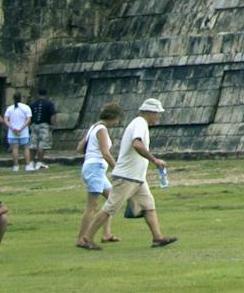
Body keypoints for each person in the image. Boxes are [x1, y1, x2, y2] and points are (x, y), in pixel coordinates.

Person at [90, 97, 177, 248]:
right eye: (157, 114)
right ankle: (87, 238)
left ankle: (157, 237)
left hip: (137, 177)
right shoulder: (139, 123)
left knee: (149, 206)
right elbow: (137, 144)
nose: (158, 117)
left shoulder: (140, 124)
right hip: (127, 176)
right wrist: (154, 160)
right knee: (110, 207)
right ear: (150, 112)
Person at [76, 101, 122, 250]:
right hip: (95, 168)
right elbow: (105, 153)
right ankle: (81, 239)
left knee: (112, 199)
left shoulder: (94, 127)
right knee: (92, 205)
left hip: (94, 168)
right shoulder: (102, 129)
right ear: (113, 117)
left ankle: (106, 234)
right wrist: (118, 169)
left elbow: (79, 148)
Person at [28, 90, 56, 172]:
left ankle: (31, 162)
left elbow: (30, 116)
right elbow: (53, 115)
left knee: (33, 144)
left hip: (34, 125)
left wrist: (30, 125)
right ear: (46, 94)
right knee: (42, 145)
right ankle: (39, 162)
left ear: (38, 94)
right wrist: (53, 125)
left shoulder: (33, 104)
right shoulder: (49, 104)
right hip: (44, 125)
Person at [3, 94, 31, 172]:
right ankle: (27, 165)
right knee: (26, 148)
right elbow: (28, 119)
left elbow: (5, 119)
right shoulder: (26, 107)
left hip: (13, 132)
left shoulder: (10, 108)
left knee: (15, 149)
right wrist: (21, 129)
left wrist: (12, 128)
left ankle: (16, 166)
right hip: (24, 132)